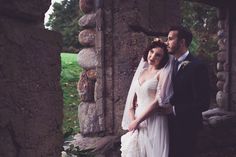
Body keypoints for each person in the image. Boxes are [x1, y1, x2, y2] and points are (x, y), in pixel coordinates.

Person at [162, 25, 210, 157]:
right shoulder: (172, 64)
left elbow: (204, 103)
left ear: (182, 42)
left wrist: (174, 109)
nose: (167, 42)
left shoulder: (198, 66)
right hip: (169, 126)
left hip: (188, 127)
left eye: (170, 39)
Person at [121, 40, 174, 157]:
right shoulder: (141, 71)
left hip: (154, 119)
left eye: (158, 55)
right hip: (137, 119)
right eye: (152, 51)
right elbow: (132, 101)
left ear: (163, 59)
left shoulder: (163, 73)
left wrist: (137, 121)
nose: (153, 56)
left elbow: (157, 102)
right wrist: (133, 120)